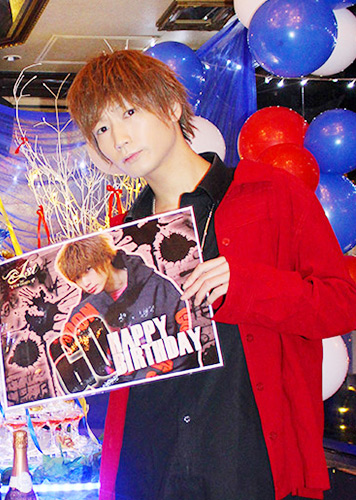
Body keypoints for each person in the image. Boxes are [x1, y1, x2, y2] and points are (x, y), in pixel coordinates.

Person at [66, 50, 356, 500]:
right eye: (101, 128)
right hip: (148, 465)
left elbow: (342, 303)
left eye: (129, 112)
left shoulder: (271, 194)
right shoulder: (119, 242)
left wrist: (248, 286)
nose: (118, 138)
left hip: (245, 460)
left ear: (172, 107)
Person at [52, 233, 194, 393]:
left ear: (105, 257)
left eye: (88, 269)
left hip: (175, 388)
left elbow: (187, 344)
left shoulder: (156, 286)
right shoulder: (82, 316)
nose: (85, 282)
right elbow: (76, 381)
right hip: (124, 400)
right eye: (77, 278)